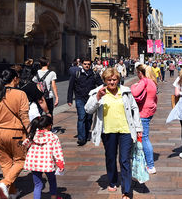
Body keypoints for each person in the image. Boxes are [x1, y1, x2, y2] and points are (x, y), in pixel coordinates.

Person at [85, 68, 142, 199]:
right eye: (109, 80)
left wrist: (138, 129)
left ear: (118, 79)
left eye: (114, 79)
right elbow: (88, 109)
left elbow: (135, 109)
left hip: (126, 130)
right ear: (104, 80)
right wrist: (98, 97)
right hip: (108, 131)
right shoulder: (98, 92)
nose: (112, 82)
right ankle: (112, 180)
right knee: (110, 157)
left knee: (125, 159)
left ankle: (126, 191)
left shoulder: (126, 92)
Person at [0, 68, 30, 199]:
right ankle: (5, 184)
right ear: (14, 79)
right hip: (15, 132)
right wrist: (30, 131)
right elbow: (24, 115)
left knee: (5, 163)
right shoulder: (20, 94)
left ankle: (11, 192)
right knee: (21, 161)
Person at [22, 115, 65, 199]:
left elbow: (25, 144)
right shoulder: (53, 137)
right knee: (52, 182)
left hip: (34, 163)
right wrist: (60, 164)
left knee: (38, 185)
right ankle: (53, 197)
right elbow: (57, 152)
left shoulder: (33, 134)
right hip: (47, 163)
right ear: (50, 125)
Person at [131, 64, 158, 173]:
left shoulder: (144, 81)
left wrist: (133, 85)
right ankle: (147, 163)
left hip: (143, 112)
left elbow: (134, 92)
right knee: (144, 137)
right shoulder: (152, 82)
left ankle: (150, 166)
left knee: (144, 138)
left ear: (140, 73)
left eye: (137, 72)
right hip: (149, 110)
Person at [67, 58, 102, 145]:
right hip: (80, 98)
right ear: (82, 64)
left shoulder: (94, 74)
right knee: (81, 117)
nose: (86, 66)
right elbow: (71, 87)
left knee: (89, 118)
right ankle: (81, 138)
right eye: (85, 64)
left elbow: (101, 85)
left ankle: (86, 134)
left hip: (90, 99)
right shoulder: (77, 74)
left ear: (90, 65)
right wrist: (69, 99)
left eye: (88, 64)